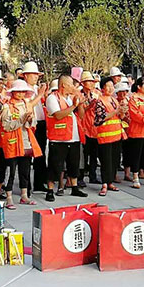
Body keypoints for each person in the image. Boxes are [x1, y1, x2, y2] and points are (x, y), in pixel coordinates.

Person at [44, 74, 87, 202]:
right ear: (64, 85)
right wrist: (73, 106)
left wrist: (80, 105)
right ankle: (50, 190)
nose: (74, 87)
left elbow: (81, 116)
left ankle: (74, 187)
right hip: (59, 138)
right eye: (71, 84)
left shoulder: (71, 98)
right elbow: (58, 115)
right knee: (55, 165)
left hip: (73, 136)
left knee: (74, 164)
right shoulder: (52, 98)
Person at [0, 80, 42, 208]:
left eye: (23, 91)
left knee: (25, 170)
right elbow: (6, 126)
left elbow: (33, 124)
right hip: (12, 142)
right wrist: (21, 120)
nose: (20, 93)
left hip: (26, 141)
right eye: (18, 91)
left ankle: (24, 195)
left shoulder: (27, 104)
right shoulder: (6, 106)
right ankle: (9, 197)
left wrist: (30, 120)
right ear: (12, 92)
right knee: (11, 171)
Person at [94, 77, 125, 196]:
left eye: (112, 86)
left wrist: (122, 111)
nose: (111, 88)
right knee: (106, 160)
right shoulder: (100, 101)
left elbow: (120, 117)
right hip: (105, 136)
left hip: (116, 135)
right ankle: (104, 183)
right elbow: (101, 117)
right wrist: (116, 111)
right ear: (102, 88)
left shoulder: (114, 100)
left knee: (115, 160)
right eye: (108, 86)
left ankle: (110, 181)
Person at [20, 62, 49, 192]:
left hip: (40, 122)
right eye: (33, 74)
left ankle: (39, 182)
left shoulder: (37, 88)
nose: (36, 77)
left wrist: (43, 95)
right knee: (27, 156)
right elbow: (29, 105)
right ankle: (26, 185)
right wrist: (40, 95)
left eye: (37, 75)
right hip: (29, 124)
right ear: (25, 76)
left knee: (40, 154)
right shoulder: (23, 89)